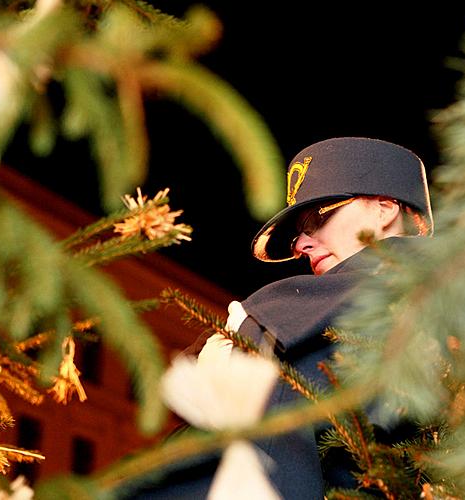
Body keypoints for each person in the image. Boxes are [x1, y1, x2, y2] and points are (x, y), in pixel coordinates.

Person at [179, 137, 434, 499]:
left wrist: (254, 324)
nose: (300, 245)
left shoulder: (432, 279)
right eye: (299, 232)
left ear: (384, 208)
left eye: (318, 218)